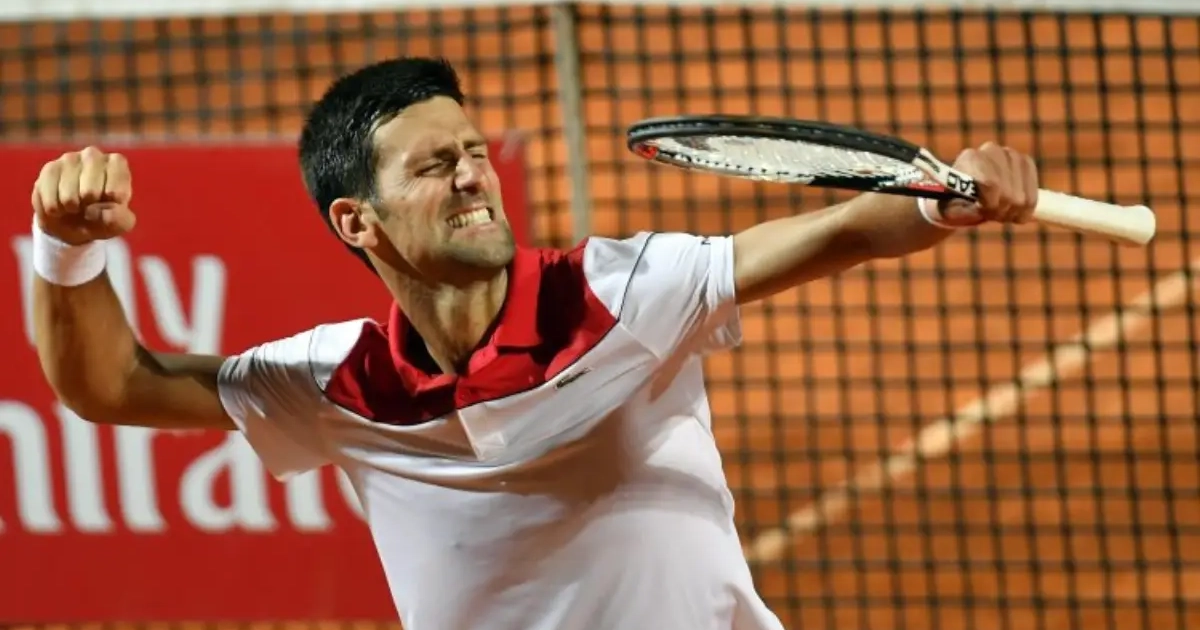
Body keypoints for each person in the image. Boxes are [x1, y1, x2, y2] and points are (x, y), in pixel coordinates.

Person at [27, 56, 1040, 630]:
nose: (474, 175)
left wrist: (942, 201)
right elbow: (112, 384)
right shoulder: (340, 385)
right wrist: (66, 248)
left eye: (474, 151)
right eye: (434, 165)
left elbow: (840, 232)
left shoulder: (622, 294)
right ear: (356, 222)